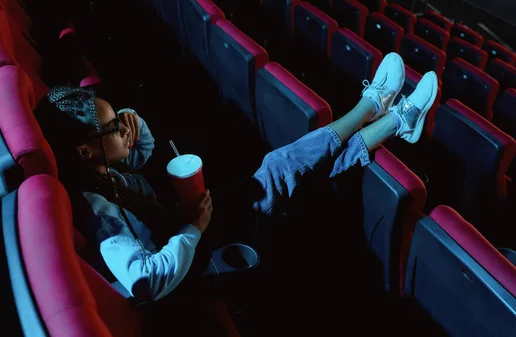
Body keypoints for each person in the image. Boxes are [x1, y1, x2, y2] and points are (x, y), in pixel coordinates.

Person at [35, 52, 438, 333]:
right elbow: (143, 281)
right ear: (85, 151)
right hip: (198, 262)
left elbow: (144, 150)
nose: (123, 129)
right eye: (112, 128)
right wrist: (193, 229)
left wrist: (130, 119)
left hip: (190, 225)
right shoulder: (100, 210)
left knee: (297, 172)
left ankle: (396, 120)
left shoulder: (106, 173)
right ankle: (373, 106)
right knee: (278, 170)